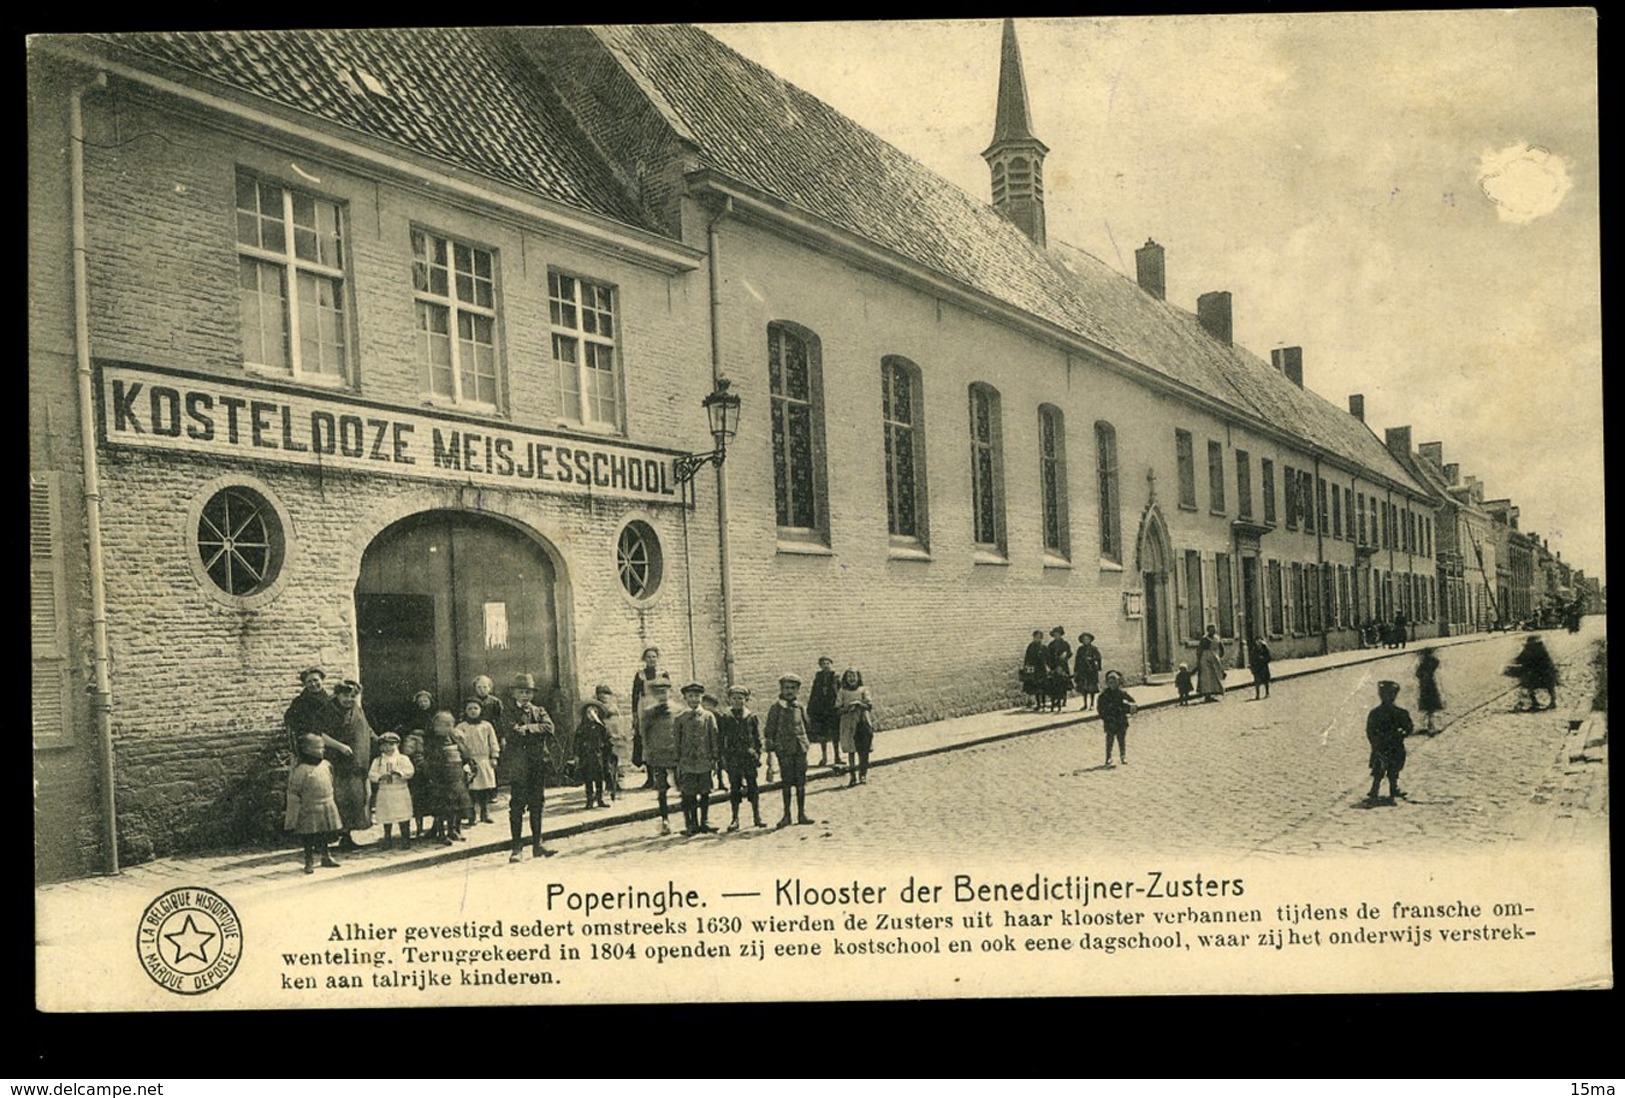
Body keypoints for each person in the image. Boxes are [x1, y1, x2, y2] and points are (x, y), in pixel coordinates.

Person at [495, 676, 556, 862]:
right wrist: (532, 730)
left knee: (537, 804)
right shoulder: (507, 712)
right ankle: (516, 848)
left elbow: (549, 727)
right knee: (517, 806)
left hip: (537, 763)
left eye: (528, 692)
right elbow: (511, 731)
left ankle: (538, 845)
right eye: (521, 691)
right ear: (514, 693)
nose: (525, 695)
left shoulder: (539, 711)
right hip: (519, 765)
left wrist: (528, 728)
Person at [285, 733, 344, 874]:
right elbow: (294, 791)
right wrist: (294, 813)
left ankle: (326, 856)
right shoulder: (301, 770)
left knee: (325, 833)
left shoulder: (326, 765)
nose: (322, 751)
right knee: (309, 835)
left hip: (327, 804)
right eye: (319, 748)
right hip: (309, 807)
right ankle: (309, 860)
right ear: (307, 750)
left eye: (323, 747)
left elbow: (331, 779)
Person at [330, 679, 376, 850]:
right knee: (341, 799)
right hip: (338, 763)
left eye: (352, 696)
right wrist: (339, 746)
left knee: (357, 798)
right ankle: (342, 835)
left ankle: (348, 835)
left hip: (357, 762)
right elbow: (320, 733)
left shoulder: (357, 710)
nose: (349, 699)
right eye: (345, 696)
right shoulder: (329, 710)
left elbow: (366, 729)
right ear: (337, 694)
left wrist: (380, 741)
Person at [764, 673, 814, 827]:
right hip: (784, 749)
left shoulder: (800, 707)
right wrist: (771, 748)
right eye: (786, 688)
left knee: (801, 781)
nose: (789, 691)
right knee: (786, 782)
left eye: (793, 688)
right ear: (781, 689)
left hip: (800, 748)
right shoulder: (776, 708)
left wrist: (806, 743)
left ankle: (801, 814)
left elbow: (807, 726)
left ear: (798, 690)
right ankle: (786, 815)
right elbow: (769, 730)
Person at [675, 682, 721, 835]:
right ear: (685, 698)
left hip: (704, 760)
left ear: (701, 697)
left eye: (697, 696)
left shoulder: (708, 717)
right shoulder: (680, 718)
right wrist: (678, 760)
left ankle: (705, 821)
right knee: (689, 793)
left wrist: (714, 758)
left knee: (705, 791)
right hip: (687, 762)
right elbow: (677, 740)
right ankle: (692, 823)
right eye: (690, 696)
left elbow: (714, 737)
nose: (694, 699)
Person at [717, 685, 765, 831]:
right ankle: (735, 818)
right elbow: (721, 738)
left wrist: (757, 753)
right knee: (735, 787)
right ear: (729, 700)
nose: (737, 701)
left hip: (748, 756)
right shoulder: (725, 717)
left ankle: (757, 816)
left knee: (753, 786)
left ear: (746, 700)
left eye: (740, 698)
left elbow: (757, 738)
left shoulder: (751, 717)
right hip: (733, 757)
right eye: (734, 698)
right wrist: (723, 757)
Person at [422, 710, 472, 845]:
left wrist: (468, 765)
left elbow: (465, 754)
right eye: (443, 725)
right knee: (441, 807)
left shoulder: (455, 738)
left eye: (450, 724)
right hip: (440, 777)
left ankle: (452, 830)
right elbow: (428, 759)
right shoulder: (431, 740)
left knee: (455, 805)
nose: (448, 728)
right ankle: (441, 833)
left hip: (456, 776)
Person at [640, 673, 679, 835]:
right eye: (658, 692)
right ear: (654, 695)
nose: (662, 695)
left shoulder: (678, 710)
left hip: (675, 753)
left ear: (670, 692)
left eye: (665, 692)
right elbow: (645, 735)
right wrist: (647, 753)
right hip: (658, 754)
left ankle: (690, 820)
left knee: (683, 786)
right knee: (662, 788)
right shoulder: (649, 712)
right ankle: (665, 820)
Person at [1364, 680, 1413, 806]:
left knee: (1393, 769)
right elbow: (1370, 730)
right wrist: (1375, 742)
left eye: (1391, 694)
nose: (1388, 697)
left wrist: (1402, 732)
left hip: (1395, 746)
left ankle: (1393, 789)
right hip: (1381, 746)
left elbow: (1408, 727)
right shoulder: (1375, 713)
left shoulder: (1401, 713)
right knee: (1378, 769)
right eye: (1385, 694)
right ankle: (1374, 789)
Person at [455, 698, 501, 826]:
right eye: (470, 708)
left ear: (480, 710)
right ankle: (471, 815)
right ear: (465, 711)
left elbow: (493, 742)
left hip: (484, 759)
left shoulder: (486, 726)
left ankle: (485, 813)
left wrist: (494, 756)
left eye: (475, 708)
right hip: (469, 761)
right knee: (471, 790)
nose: (473, 711)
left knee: (485, 789)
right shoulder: (461, 727)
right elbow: (458, 743)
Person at [367, 731, 415, 850]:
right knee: (386, 816)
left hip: (400, 791)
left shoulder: (402, 759)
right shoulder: (378, 761)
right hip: (385, 791)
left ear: (397, 745)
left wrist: (400, 773)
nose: (388, 748)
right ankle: (387, 839)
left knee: (403, 816)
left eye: (391, 744)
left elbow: (410, 771)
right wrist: (379, 777)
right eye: (384, 745)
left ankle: (405, 839)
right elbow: (371, 774)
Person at [283, 666, 343, 757]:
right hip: (312, 747)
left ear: (322, 680)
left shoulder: (329, 700)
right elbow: (303, 727)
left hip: (332, 742)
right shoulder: (300, 703)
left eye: (316, 680)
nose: (313, 684)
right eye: (309, 682)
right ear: (305, 684)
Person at [629, 646, 665, 789]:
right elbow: (634, 695)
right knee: (647, 744)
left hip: (659, 709)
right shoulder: (640, 675)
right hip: (644, 709)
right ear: (645, 659)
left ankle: (662, 778)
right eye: (648, 657)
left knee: (660, 743)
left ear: (657, 658)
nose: (651, 659)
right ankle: (650, 778)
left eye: (654, 657)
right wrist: (634, 715)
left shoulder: (663, 674)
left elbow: (668, 692)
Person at [837, 668, 876, 787]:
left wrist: (860, 704)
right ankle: (852, 776)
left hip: (862, 722)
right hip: (848, 724)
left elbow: (869, 705)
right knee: (851, 750)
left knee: (864, 750)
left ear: (858, 677)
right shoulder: (842, 692)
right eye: (849, 676)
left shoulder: (863, 690)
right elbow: (837, 709)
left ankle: (863, 774)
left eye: (854, 676)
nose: (851, 678)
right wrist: (848, 708)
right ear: (845, 678)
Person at [574, 699, 614, 810]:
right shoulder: (582, 728)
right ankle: (589, 800)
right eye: (589, 713)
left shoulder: (601, 727)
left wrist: (609, 750)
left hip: (599, 756)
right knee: (588, 779)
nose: (592, 715)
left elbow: (607, 740)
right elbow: (577, 742)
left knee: (599, 778)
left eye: (595, 712)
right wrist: (577, 755)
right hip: (586, 756)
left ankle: (600, 798)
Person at [1506, 634, 1559, 711]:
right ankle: (1551, 702)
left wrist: (1515, 662)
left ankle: (1535, 702)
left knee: (1529, 685)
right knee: (1549, 686)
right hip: (1545, 673)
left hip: (1539, 673)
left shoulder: (1531, 650)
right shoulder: (1541, 649)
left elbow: (1523, 659)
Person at [807, 656, 842, 769]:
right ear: (820, 666)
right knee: (823, 735)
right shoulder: (818, 678)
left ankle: (837, 756)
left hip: (833, 710)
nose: (826, 665)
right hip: (821, 711)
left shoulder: (836, 677)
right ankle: (824, 756)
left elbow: (840, 692)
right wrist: (811, 708)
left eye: (828, 663)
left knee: (835, 734)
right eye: (823, 664)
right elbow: (814, 693)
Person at [1097, 670, 1137, 768]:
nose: (1113, 684)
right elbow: (1100, 708)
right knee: (1109, 740)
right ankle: (1108, 757)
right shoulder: (1104, 695)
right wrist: (1105, 717)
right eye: (1110, 682)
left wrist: (1129, 707)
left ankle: (1123, 756)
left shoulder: (1122, 693)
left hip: (1121, 720)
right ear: (1107, 683)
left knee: (1121, 739)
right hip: (1110, 721)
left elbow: (1133, 704)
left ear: (1118, 682)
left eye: (1114, 682)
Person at [1415, 647, 1444, 734]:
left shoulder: (1424, 663)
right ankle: (1430, 724)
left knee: (1428, 707)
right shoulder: (1430, 663)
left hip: (1426, 686)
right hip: (1429, 685)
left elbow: (1418, 673)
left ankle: (1429, 724)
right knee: (1431, 707)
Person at [470, 675, 505, 746]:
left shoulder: (495, 702)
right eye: (479, 687)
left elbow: (500, 719)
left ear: (490, 688)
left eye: (485, 687)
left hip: (492, 731)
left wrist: (502, 737)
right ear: (475, 688)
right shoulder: (470, 701)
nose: (482, 690)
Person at [1045, 627, 1073, 712]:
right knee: (1054, 684)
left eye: (1058, 634)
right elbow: (1048, 656)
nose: (1056, 636)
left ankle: (1063, 699)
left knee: (1064, 682)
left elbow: (1070, 653)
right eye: (1055, 635)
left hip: (1063, 665)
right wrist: (1050, 666)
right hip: (1054, 666)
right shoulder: (1051, 645)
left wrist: (1066, 654)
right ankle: (1056, 699)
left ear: (1061, 635)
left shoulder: (1065, 644)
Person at [1073, 632, 1102, 711]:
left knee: (1092, 688)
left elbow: (1098, 658)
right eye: (1084, 639)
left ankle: (1092, 704)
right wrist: (1076, 670)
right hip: (1083, 671)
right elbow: (1077, 660)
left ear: (1090, 640)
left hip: (1091, 671)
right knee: (1084, 689)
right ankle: (1085, 704)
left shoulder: (1094, 649)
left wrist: (1092, 660)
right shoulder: (1080, 649)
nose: (1086, 641)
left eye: (1087, 639)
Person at [1196, 624, 1226, 702]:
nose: (1213, 631)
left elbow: (1221, 648)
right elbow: (1199, 649)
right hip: (1205, 658)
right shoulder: (1204, 639)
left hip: (1215, 657)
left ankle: (1215, 692)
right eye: (1211, 630)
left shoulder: (1217, 638)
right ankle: (1207, 695)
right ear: (1207, 630)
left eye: (1214, 629)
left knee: (1216, 675)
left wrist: (1220, 656)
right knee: (1207, 677)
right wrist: (1199, 659)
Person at [1020, 630, 1047, 711]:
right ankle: (1038, 704)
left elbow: (1047, 658)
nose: (1037, 639)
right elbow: (1027, 658)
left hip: (1042, 669)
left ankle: (1044, 703)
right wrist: (1026, 666)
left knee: (1043, 687)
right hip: (1034, 669)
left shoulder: (1043, 647)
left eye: (1039, 638)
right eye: (1035, 637)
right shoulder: (1031, 647)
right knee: (1036, 688)